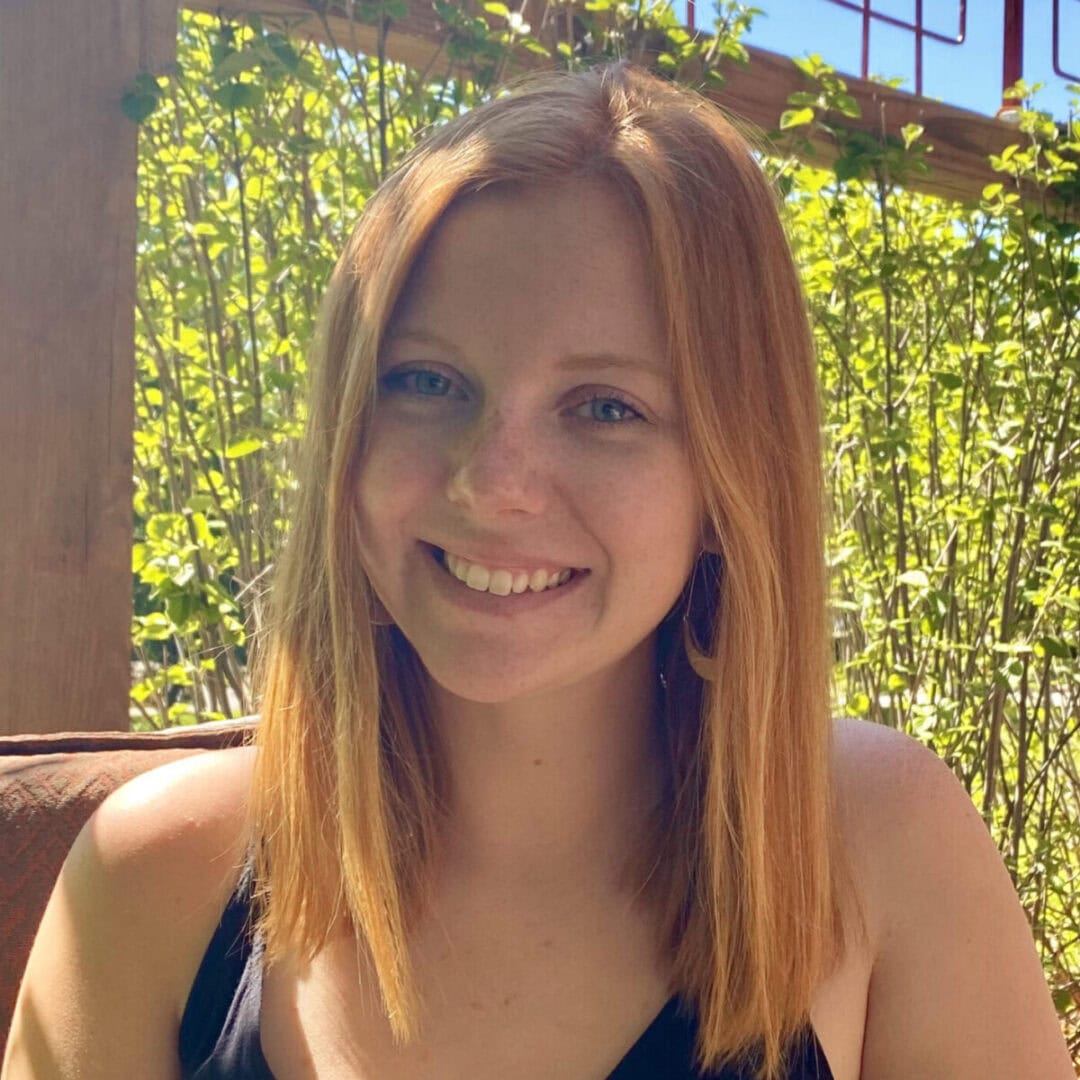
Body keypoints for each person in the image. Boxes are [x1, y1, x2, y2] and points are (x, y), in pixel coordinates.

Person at [2, 61, 1072, 1080]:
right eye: (427, 381)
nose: (491, 484)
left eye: (606, 406)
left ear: (734, 478)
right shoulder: (150, 879)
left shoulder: (878, 845)